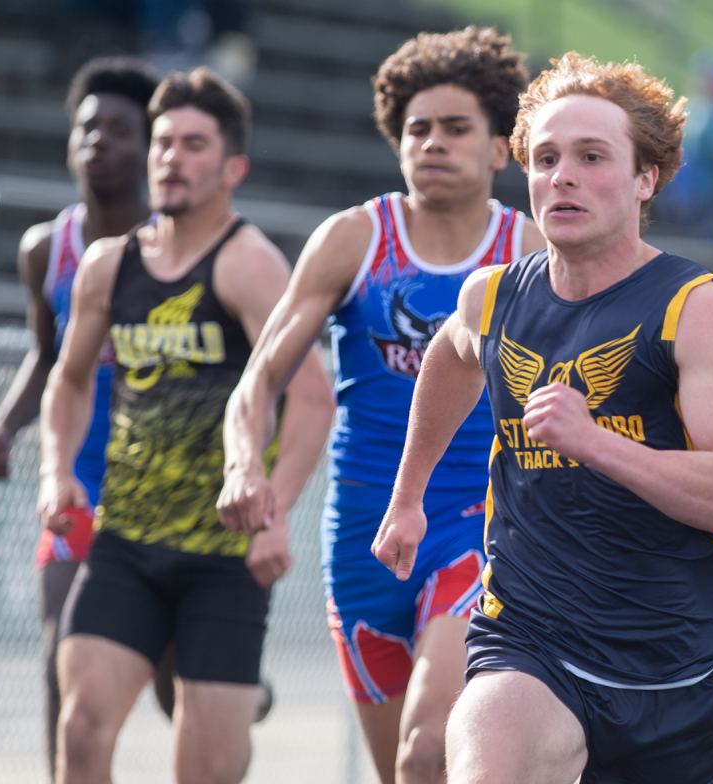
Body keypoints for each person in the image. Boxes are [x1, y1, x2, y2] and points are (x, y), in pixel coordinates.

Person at [374, 52, 713, 784]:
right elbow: (450, 361)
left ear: (645, 178)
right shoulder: (490, 300)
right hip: (528, 634)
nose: (564, 176)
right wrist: (408, 498)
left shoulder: (694, 310)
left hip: (669, 668)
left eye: (593, 157)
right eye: (547, 157)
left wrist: (594, 444)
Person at [218, 26, 544, 784]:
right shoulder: (354, 240)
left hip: (478, 525)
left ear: (500, 149)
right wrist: (246, 469)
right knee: (400, 767)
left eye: (456, 128)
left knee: (430, 744)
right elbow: (260, 380)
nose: (432, 143)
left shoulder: (526, 253)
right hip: (363, 537)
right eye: (416, 129)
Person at [37, 67, 333, 784]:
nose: (172, 157)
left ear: (233, 166)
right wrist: (57, 469)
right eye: (164, 141)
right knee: (78, 733)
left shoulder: (249, 265)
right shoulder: (109, 266)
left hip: (221, 558)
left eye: (194, 144)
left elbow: (314, 398)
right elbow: (69, 378)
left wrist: (275, 509)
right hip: (127, 542)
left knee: (208, 770)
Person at [0, 56, 174, 776]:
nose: (101, 141)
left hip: (168, 489)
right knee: (62, 648)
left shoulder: (179, 252)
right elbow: (49, 357)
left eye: (121, 130)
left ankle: (225, 689)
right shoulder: (42, 250)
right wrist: (6, 428)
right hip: (79, 487)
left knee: (178, 685)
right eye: (90, 126)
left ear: (148, 149)